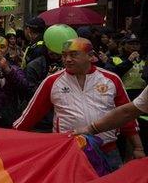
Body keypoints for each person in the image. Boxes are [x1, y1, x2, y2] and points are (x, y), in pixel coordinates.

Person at [15, 38, 141, 171]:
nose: (67, 59)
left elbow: (127, 116)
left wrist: (138, 147)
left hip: (108, 152)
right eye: (64, 55)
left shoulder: (111, 79)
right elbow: (29, 117)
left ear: (91, 56)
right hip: (68, 152)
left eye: (74, 55)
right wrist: (7, 141)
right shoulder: (52, 82)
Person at [75, 85, 148, 159]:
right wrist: (90, 129)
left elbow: (128, 114)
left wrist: (138, 148)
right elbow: (127, 113)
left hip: (109, 150)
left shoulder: (111, 79)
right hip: (76, 150)